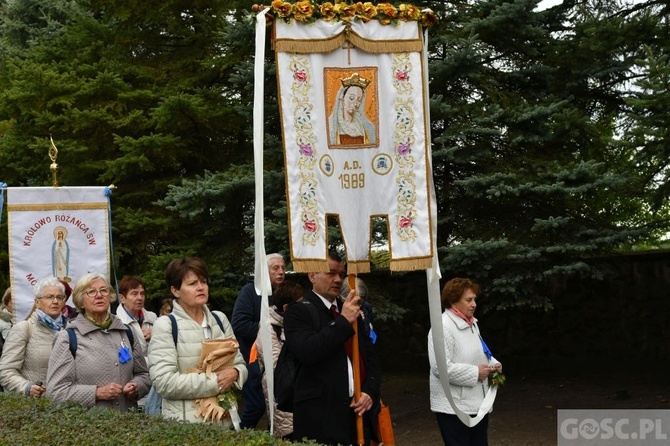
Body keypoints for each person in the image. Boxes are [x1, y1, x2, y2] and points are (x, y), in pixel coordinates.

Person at [284, 251, 381, 445]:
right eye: (330, 273)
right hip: (321, 419)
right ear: (312, 276)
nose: (338, 279)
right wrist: (343, 321)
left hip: (357, 415)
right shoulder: (298, 311)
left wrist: (369, 391)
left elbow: (370, 358)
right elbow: (307, 352)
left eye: (341, 274)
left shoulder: (352, 310)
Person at [148, 257, 247, 425]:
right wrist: (216, 381)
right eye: (192, 284)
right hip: (186, 428)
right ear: (176, 291)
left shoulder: (220, 319)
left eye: (203, 282)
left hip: (224, 423)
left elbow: (240, 363)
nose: (201, 287)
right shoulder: (165, 325)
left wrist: (236, 373)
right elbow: (164, 383)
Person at [45, 272, 151, 411]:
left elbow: (143, 375)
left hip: (128, 426)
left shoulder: (126, 332)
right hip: (89, 428)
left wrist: (136, 386)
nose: (99, 295)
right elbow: (55, 392)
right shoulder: (68, 337)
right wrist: (96, 393)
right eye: (91, 292)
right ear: (80, 300)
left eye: (103, 290)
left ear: (110, 296)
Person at [427, 277, 502, 446]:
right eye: (468, 300)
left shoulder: (472, 324)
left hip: (477, 404)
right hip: (453, 407)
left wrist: (493, 365)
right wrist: (476, 373)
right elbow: (440, 367)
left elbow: (481, 352)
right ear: (453, 301)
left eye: (474, 299)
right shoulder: (442, 327)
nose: (474, 304)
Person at [232, 253, 286, 429]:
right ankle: (236, 437)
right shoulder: (250, 292)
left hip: (280, 362)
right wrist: (269, 330)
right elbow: (239, 325)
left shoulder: (285, 293)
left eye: (283, 268)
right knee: (256, 406)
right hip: (254, 360)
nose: (281, 272)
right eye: (275, 268)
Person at [0, 277, 67, 396]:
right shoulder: (24, 328)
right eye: (49, 297)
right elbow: (5, 371)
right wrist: (26, 387)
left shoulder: (71, 329)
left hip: (71, 407)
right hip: (36, 408)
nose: (55, 301)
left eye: (59, 297)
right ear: (37, 302)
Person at [255, 281, 304, 439]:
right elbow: (277, 368)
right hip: (282, 398)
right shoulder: (269, 329)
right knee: (289, 437)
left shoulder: (297, 323)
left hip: (300, 396)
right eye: (300, 304)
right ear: (286, 309)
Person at [328, 73, 377, 146]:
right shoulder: (331, 125)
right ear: (342, 98)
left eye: (359, 100)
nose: (355, 103)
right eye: (351, 98)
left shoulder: (365, 126)